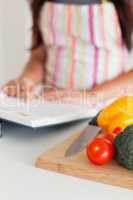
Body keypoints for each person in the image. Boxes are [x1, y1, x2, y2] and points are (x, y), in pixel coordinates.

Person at [3, 0, 133, 104]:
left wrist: (90, 96)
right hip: (52, 105)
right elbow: (39, 56)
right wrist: (28, 79)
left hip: (107, 106)